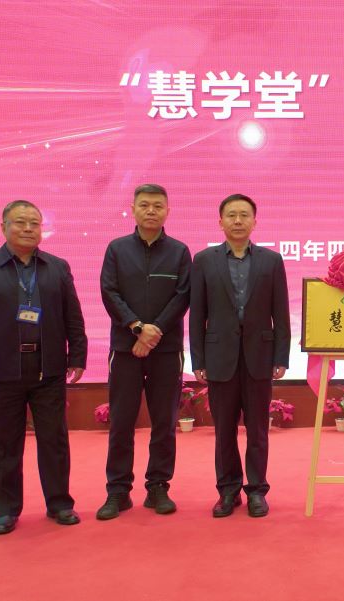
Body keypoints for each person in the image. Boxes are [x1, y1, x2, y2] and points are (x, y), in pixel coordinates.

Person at [0, 200, 87, 535]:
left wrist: (77, 356)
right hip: (0, 371)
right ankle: (5, 510)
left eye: (34, 223)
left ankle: (59, 503)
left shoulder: (57, 267)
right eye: (20, 222)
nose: (29, 228)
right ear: (3, 227)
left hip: (48, 370)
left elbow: (73, 316)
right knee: (2, 444)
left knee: (54, 441)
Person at [189, 193, 290, 518]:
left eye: (244, 215)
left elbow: (281, 313)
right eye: (231, 215)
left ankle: (257, 490)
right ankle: (228, 491)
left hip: (259, 356)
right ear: (220, 221)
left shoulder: (271, 261)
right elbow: (197, 314)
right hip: (220, 358)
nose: (237, 220)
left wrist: (281, 356)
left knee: (258, 430)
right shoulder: (204, 260)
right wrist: (198, 360)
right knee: (224, 431)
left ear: (254, 222)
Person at [96, 184, 191, 520]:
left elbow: (182, 296)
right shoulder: (117, 249)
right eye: (145, 205)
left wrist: (154, 332)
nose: (151, 211)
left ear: (168, 211)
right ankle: (118, 491)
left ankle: (158, 487)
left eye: (158, 206)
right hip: (125, 349)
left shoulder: (179, 251)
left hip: (166, 350)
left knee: (164, 421)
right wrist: (137, 327)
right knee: (122, 421)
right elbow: (109, 292)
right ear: (133, 209)